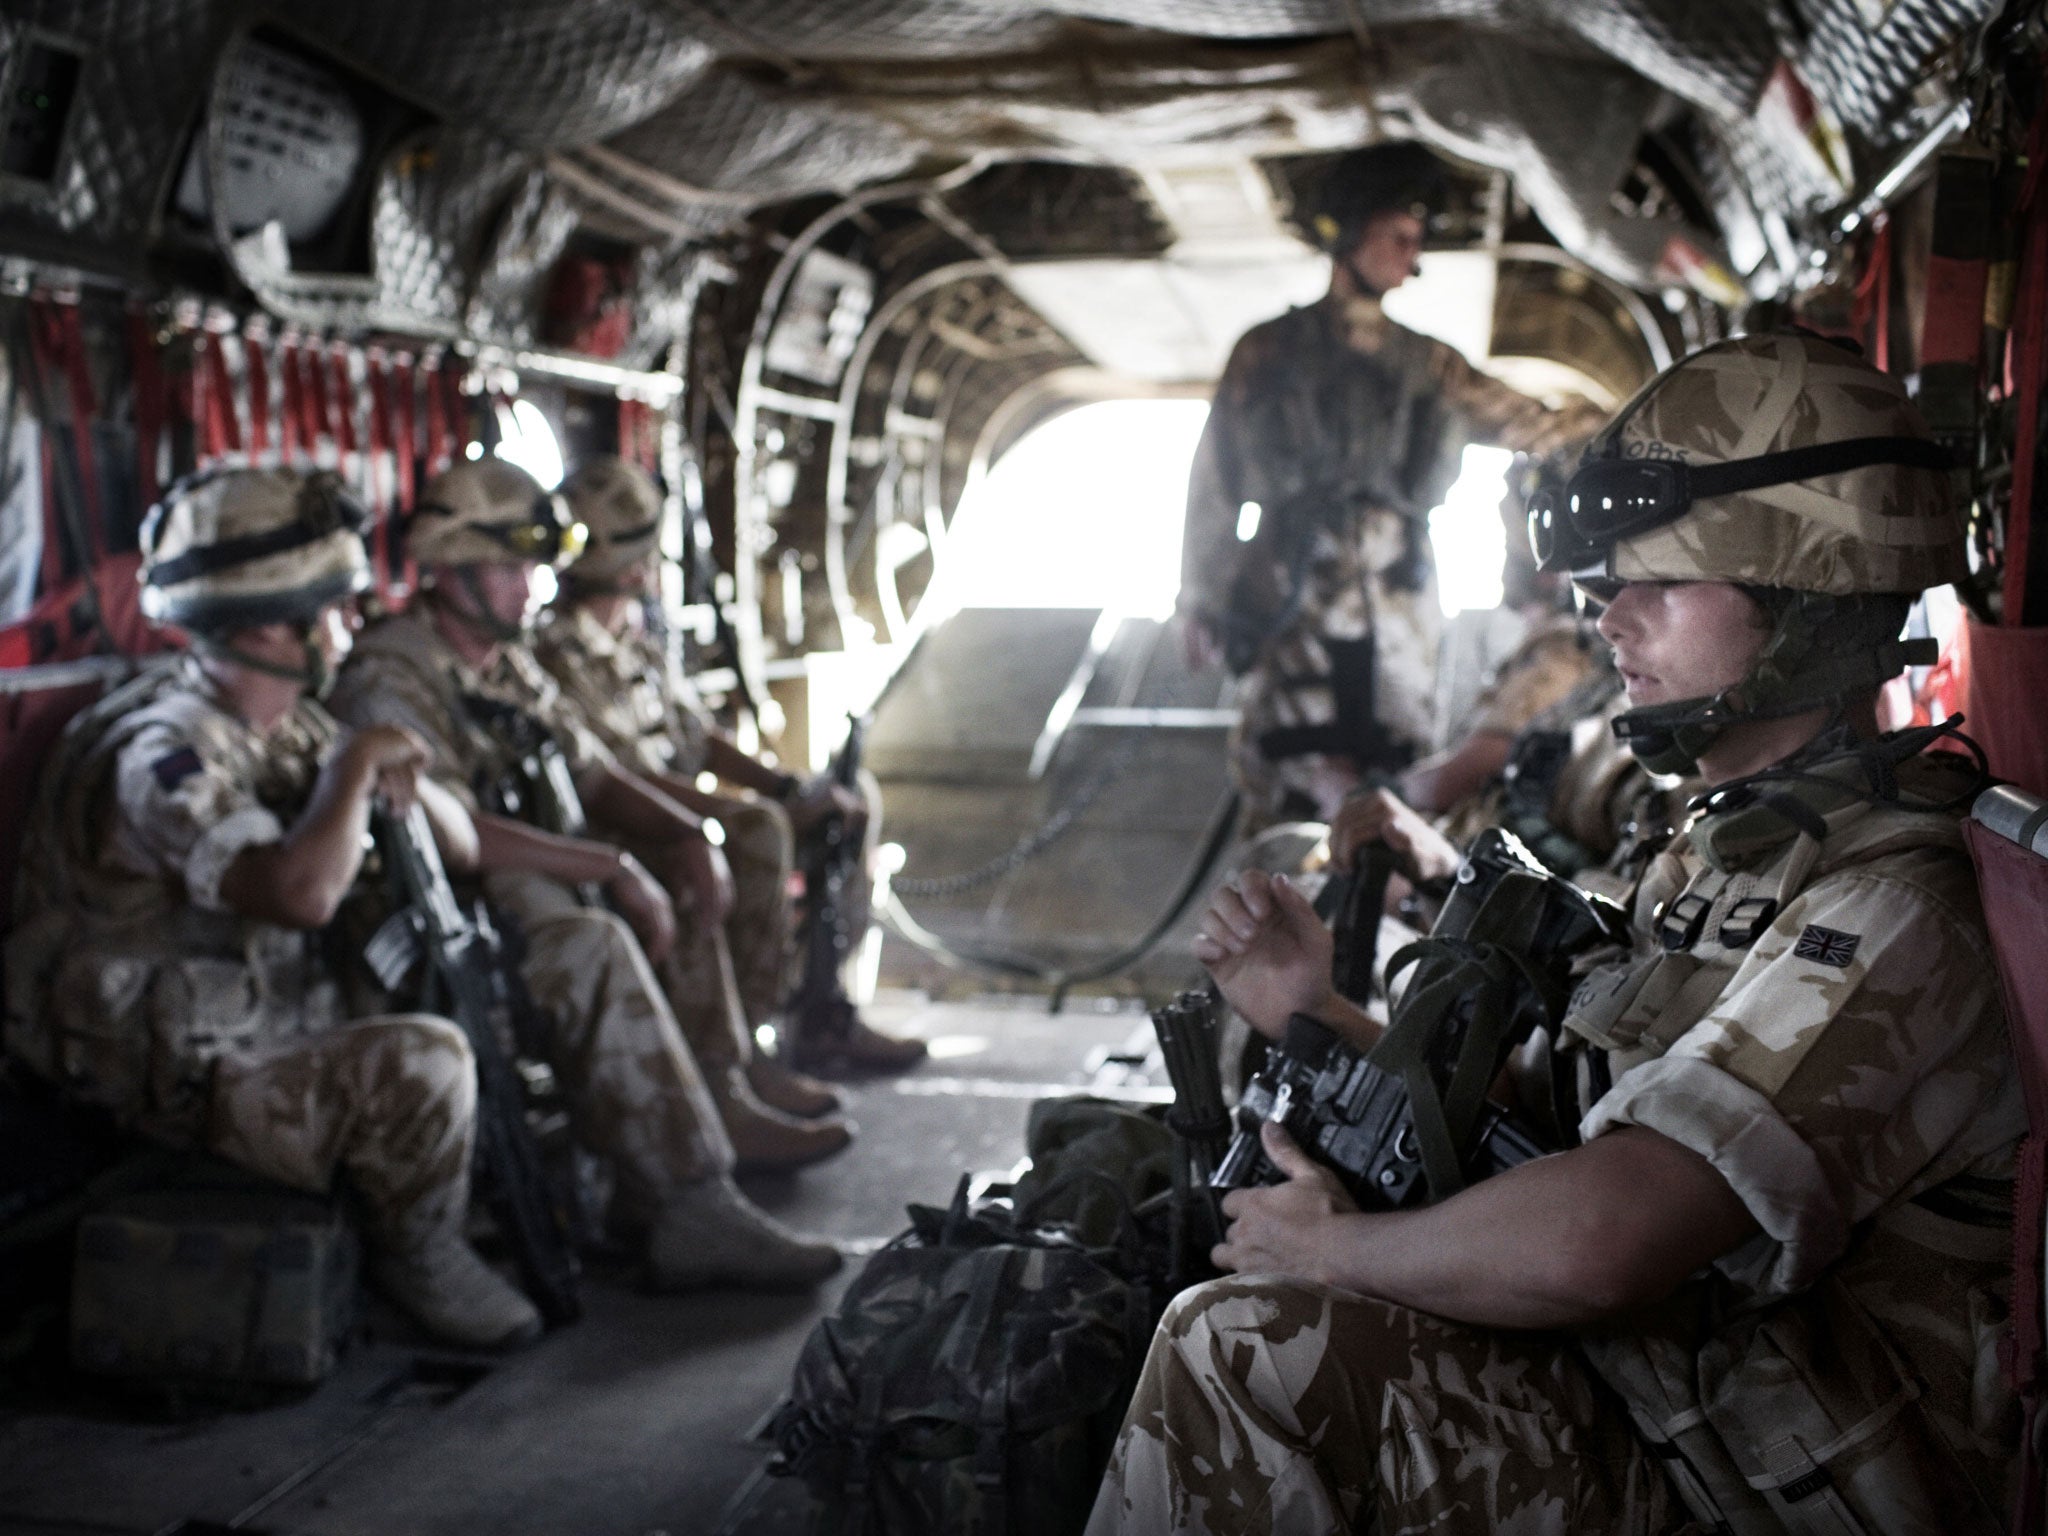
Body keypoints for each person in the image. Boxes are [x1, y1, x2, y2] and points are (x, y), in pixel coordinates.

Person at [1089, 332, 2021, 1534]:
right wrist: (1310, 1012)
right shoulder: (1722, 851)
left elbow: (1605, 1236)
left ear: (1808, 607)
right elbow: (1542, 1133)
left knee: (1244, 1348)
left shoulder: (1886, 908)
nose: (1609, 620)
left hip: (1759, 1485)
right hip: (1670, 1399)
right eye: (1606, 585)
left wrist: (1331, 1256)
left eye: (1663, 583)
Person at [2, 467, 544, 1349]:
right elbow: (298, 893)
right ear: (267, 623)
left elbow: (461, 841)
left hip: (260, 1023)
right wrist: (352, 771)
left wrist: (391, 768)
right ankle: (424, 1255)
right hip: (172, 1075)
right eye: (334, 607)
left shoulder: (286, 726)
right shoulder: (162, 756)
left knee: (472, 966)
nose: (351, 625)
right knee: (428, 1058)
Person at [326, 458, 845, 1289]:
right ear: (453, 566)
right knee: (589, 939)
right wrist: (607, 864)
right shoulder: (393, 674)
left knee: (666, 869)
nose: (537, 584)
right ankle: (688, 1202)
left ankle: (717, 1088)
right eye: (515, 565)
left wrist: (686, 837)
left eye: (539, 564)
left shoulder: (511, 663)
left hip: (526, 887)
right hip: (444, 916)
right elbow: (453, 834)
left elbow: (596, 774)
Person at [1178, 141, 1606, 826]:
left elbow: (1530, 425)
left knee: (1398, 763)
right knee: (1287, 767)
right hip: (1292, 587)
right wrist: (1198, 597)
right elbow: (1215, 479)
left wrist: (1622, 428)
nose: (1414, 261)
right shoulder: (1266, 351)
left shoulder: (1432, 365)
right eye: (1400, 237)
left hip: (1401, 591)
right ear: (1348, 234)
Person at [538, 453, 924, 1075]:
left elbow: (697, 736)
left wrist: (788, 786)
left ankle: (822, 1008)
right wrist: (749, 808)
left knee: (852, 797)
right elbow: (620, 779)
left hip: (684, 807)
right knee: (757, 830)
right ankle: (744, 1053)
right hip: (633, 824)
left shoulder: (634, 640)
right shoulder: (558, 653)